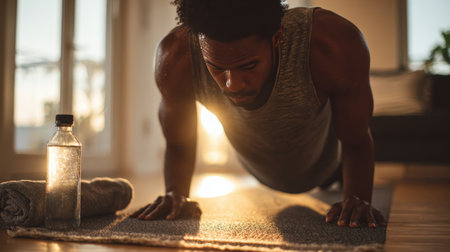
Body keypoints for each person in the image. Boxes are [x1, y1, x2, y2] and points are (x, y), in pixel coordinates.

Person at [131, 0, 387, 228]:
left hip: (330, 163)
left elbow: (357, 139)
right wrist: (176, 193)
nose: (232, 84)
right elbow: (179, 143)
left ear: (277, 37)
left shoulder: (333, 44)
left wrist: (358, 198)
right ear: (198, 42)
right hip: (257, 166)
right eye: (217, 67)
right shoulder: (176, 57)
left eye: (248, 66)